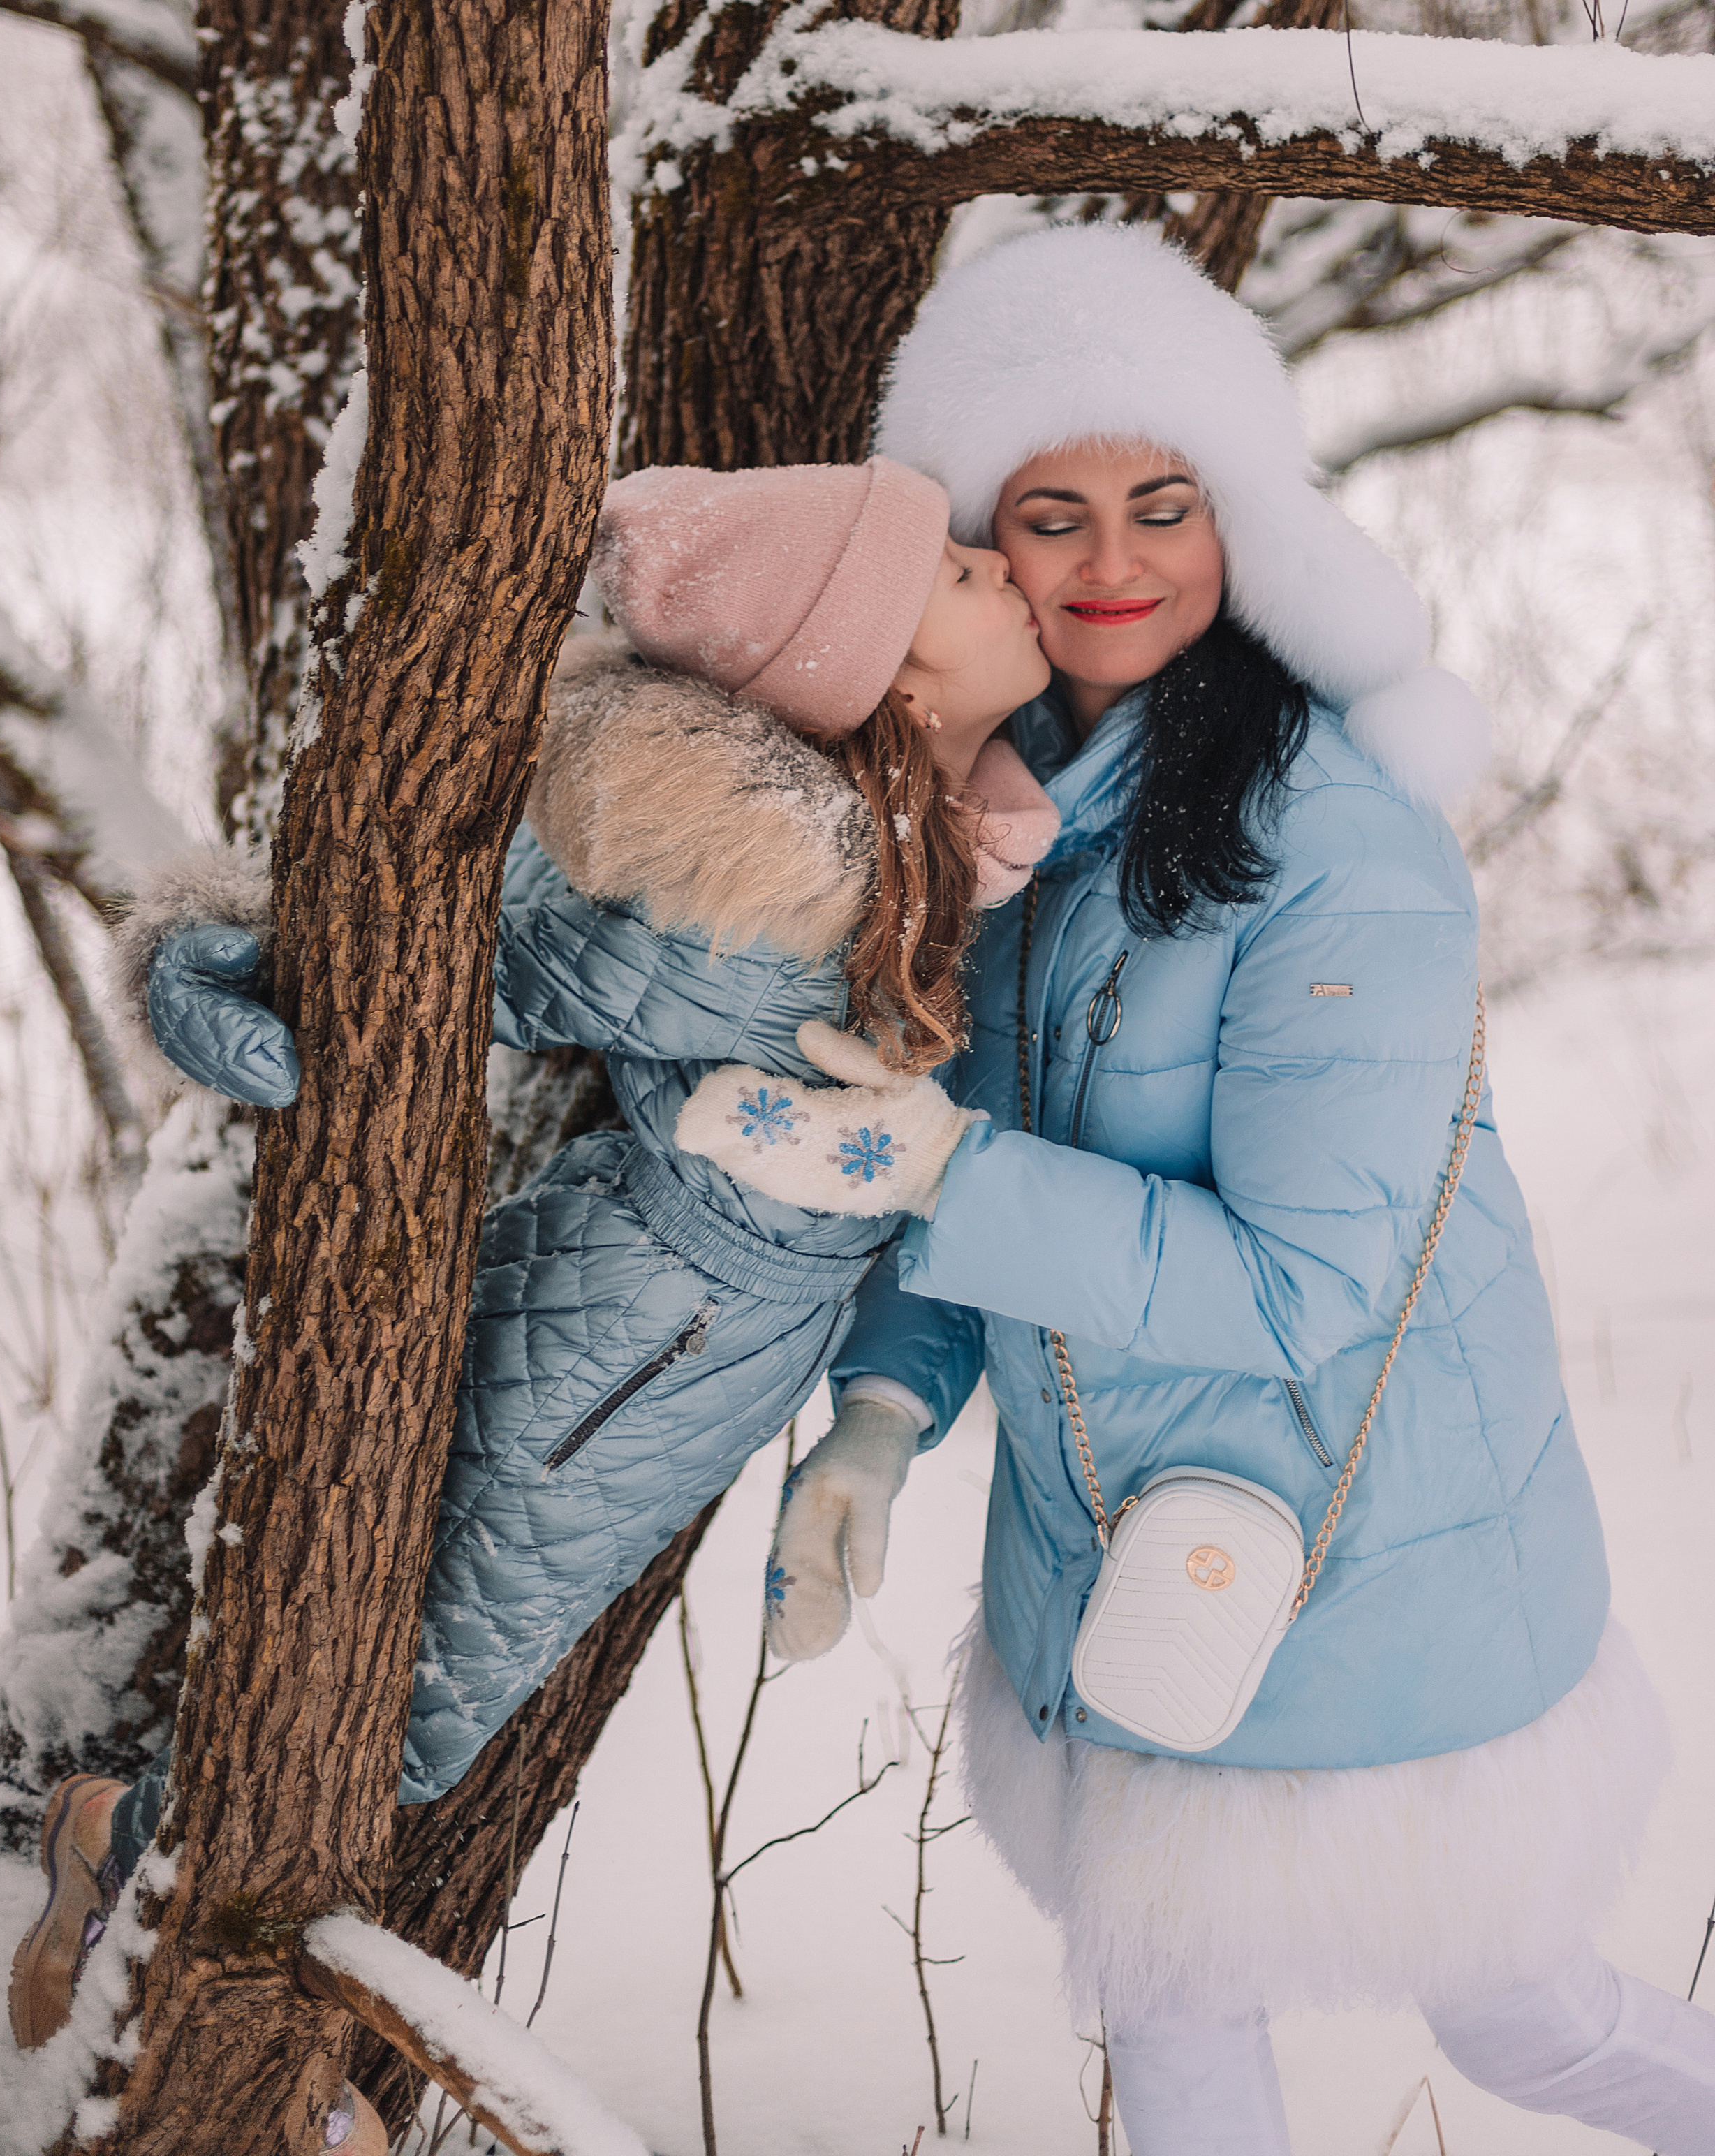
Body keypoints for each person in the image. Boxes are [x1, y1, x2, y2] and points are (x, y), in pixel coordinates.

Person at [695, 226, 1715, 2156]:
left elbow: (1300, 1283)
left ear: (1239, 518)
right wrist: (885, 1420)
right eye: (1049, 516)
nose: (1112, 564)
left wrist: (948, 1171)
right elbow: (950, 1149)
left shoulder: (1339, 847)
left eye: (1163, 505)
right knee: (1169, 2029)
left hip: (1371, 1541)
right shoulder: (1000, 820)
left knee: (1523, 2018)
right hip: (1129, 1568)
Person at [7, 457, 1060, 2141]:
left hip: (678, 1358)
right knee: (396, 1708)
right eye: (946, 569)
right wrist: (231, 977)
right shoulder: (755, 878)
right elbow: (466, 940)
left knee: (408, 1705)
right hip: (616, 1347)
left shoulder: (939, 850)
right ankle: (158, 1948)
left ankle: (189, 1967)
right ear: (889, 674)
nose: (995, 566)